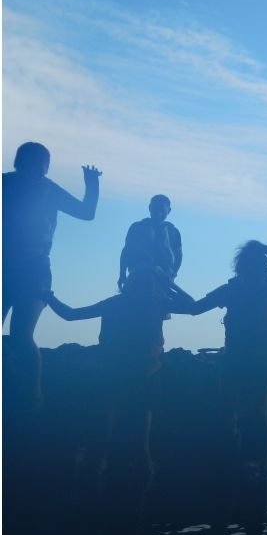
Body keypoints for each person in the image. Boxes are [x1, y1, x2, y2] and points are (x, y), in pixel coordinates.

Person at [176, 241, 267, 470]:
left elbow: (195, 309)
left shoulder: (250, 288)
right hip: (245, 358)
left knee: (241, 410)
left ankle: (246, 463)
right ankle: (249, 464)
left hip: (250, 358)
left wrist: (168, 289)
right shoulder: (253, 288)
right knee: (251, 411)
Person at [47, 265, 178, 473]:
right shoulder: (159, 304)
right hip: (145, 376)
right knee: (141, 446)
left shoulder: (115, 304)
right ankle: (138, 488)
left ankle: (92, 483)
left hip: (113, 374)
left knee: (101, 439)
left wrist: (48, 296)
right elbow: (194, 308)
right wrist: (172, 286)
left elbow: (70, 315)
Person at [3, 142, 101, 409]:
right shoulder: (5, 184)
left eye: (41, 164)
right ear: (20, 162)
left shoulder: (48, 189)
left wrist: (92, 186)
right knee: (22, 337)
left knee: (22, 335)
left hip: (34, 272)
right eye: (33, 163)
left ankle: (34, 395)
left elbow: (86, 213)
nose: (37, 169)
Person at [118, 195, 182, 291]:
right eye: (156, 210)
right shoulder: (137, 227)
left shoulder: (173, 232)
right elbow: (127, 251)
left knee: (188, 301)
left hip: (164, 279)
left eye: (162, 211)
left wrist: (172, 275)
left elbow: (179, 255)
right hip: (139, 275)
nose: (159, 214)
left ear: (168, 211)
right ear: (150, 208)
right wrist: (122, 275)